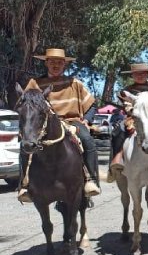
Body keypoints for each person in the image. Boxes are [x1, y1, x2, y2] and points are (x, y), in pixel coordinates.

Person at [18, 48, 100, 203]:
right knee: (25, 144)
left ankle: (91, 180)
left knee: (87, 139)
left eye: (59, 62)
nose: (56, 65)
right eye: (52, 62)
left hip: (71, 121)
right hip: (42, 124)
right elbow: (25, 104)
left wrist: (87, 121)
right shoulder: (35, 83)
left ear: (64, 65)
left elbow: (91, 105)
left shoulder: (74, 83)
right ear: (46, 63)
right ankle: (24, 184)